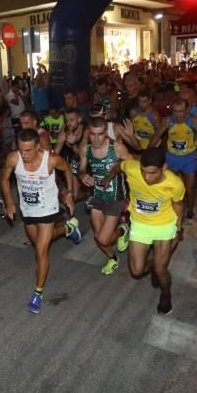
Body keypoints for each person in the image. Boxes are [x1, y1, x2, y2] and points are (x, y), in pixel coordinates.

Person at [0, 129, 81, 314]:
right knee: (40, 243)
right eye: (21, 150)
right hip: (27, 210)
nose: (24, 154)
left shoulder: (51, 159)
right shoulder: (13, 158)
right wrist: (9, 201)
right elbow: (4, 179)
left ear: (37, 146)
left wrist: (69, 193)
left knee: (40, 251)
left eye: (28, 150)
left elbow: (67, 169)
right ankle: (68, 229)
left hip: (48, 209)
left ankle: (38, 293)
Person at [115, 144, 185, 314]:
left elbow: (178, 206)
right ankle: (155, 265)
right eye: (143, 171)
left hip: (164, 225)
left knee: (161, 270)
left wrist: (178, 229)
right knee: (137, 270)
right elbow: (119, 166)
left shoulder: (174, 183)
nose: (147, 176)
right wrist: (109, 179)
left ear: (164, 168)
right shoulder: (132, 168)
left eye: (152, 172)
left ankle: (166, 294)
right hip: (140, 224)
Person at [78, 117, 129, 276]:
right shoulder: (85, 149)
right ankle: (113, 259)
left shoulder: (117, 147)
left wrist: (113, 173)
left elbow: (132, 167)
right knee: (98, 237)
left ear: (106, 133)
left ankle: (123, 230)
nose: (96, 139)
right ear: (88, 133)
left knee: (104, 239)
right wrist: (82, 176)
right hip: (97, 194)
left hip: (116, 195)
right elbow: (80, 169)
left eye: (100, 134)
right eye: (92, 134)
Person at [158, 98, 197, 222]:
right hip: (171, 158)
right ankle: (170, 210)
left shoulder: (194, 120)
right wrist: (148, 152)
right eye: (175, 111)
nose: (177, 114)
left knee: (189, 188)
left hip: (189, 159)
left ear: (187, 110)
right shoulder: (167, 120)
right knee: (169, 186)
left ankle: (190, 210)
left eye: (181, 111)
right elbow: (156, 136)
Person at [55, 108, 86, 202]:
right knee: (72, 165)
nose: (68, 123)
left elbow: (83, 154)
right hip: (72, 159)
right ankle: (73, 197)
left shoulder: (86, 130)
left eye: (71, 120)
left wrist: (73, 144)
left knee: (75, 163)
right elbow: (55, 153)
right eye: (66, 120)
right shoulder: (65, 130)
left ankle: (76, 196)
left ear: (79, 120)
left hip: (87, 159)